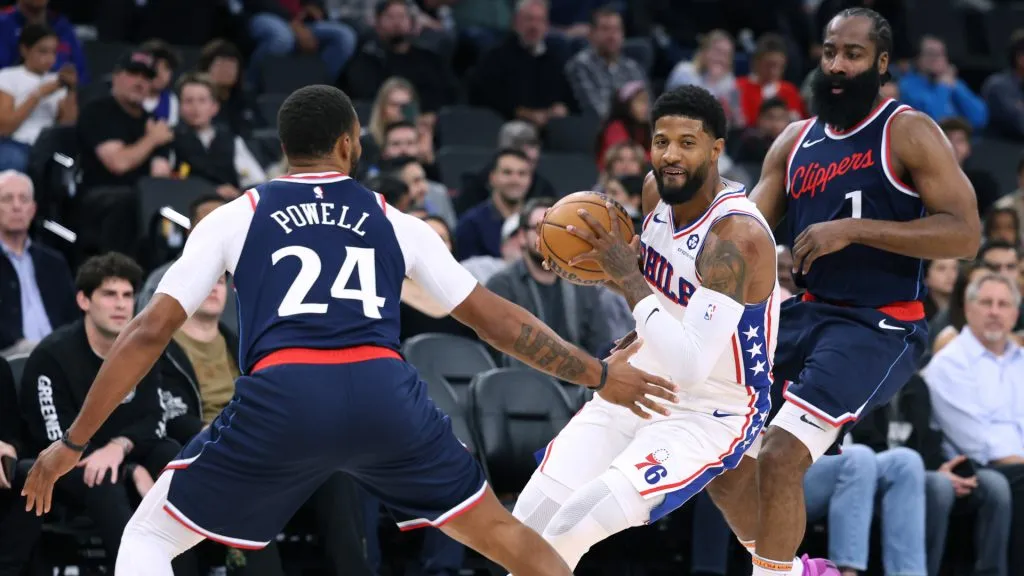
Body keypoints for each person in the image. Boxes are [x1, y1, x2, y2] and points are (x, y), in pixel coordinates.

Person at [19, 84, 676, 576]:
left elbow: (146, 333)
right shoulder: (394, 219)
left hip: (284, 396)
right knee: (504, 537)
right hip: (384, 395)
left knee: (148, 538)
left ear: (286, 148)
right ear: (347, 143)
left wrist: (72, 444)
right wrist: (598, 375)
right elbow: (497, 321)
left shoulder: (235, 215)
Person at [703, 8, 981, 576]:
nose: (837, 65)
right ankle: (791, 569)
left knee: (781, 454)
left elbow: (965, 234)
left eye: (853, 55)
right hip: (805, 314)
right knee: (714, 443)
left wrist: (854, 230)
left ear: (881, 63)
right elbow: (745, 237)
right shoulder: (794, 140)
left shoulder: (907, 131)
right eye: (830, 52)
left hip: (879, 323)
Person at [511, 85, 780, 571]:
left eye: (687, 142)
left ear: (716, 149)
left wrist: (629, 279)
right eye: (661, 141)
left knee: (575, 522)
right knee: (529, 520)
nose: (670, 155)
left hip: (709, 407)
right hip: (638, 383)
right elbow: (661, 297)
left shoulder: (736, 237)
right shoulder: (656, 193)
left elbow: (692, 365)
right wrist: (595, 268)